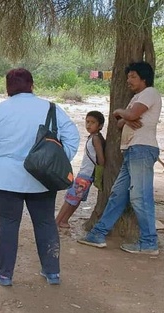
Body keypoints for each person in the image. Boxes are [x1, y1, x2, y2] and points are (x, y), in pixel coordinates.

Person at [0, 68, 79, 286]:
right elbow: (72, 136)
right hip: (42, 178)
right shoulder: (51, 108)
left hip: (6, 178)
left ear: (7, 87)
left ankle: (4, 273)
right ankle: (52, 272)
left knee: (8, 224)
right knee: (45, 223)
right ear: (31, 85)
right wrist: (57, 161)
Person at [78, 61, 162, 255]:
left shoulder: (149, 93)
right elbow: (121, 124)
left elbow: (128, 116)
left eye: (133, 76)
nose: (128, 81)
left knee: (140, 197)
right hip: (132, 151)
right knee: (118, 195)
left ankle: (149, 242)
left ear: (144, 78)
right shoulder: (137, 97)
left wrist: (118, 111)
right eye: (128, 77)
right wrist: (126, 117)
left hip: (142, 149)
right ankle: (97, 234)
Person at [56, 111, 106, 228]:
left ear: (100, 126)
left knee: (70, 199)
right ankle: (63, 221)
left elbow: (101, 158)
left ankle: (57, 221)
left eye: (92, 122)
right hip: (86, 174)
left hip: (85, 174)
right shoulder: (93, 137)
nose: (89, 125)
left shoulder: (95, 139)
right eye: (87, 122)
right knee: (75, 199)